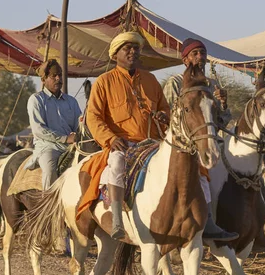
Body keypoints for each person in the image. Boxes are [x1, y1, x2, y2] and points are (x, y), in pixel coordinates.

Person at [163, 38, 265, 252]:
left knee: (251, 168)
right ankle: (204, 225)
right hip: (187, 144)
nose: (201, 57)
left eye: (203, 53)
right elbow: (173, 117)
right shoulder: (175, 83)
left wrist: (223, 106)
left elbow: (221, 122)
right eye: (196, 53)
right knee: (203, 175)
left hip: (215, 141)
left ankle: (259, 229)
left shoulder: (214, 85)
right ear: (185, 59)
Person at [78, 31, 172, 239]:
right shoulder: (104, 82)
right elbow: (93, 117)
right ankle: (118, 220)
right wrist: (110, 139)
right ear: (115, 55)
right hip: (122, 144)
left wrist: (165, 116)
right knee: (117, 163)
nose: (132, 52)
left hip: (153, 143)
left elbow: (166, 108)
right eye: (126, 48)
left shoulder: (151, 80)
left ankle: (198, 221)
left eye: (135, 48)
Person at [25, 59, 81, 190]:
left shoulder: (71, 101)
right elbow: (39, 130)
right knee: (50, 171)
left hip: (71, 146)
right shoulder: (36, 100)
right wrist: (65, 138)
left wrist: (80, 132)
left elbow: (79, 124)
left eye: (60, 75)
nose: (58, 78)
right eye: (53, 75)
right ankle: (48, 206)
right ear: (44, 79)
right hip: (48, 147)